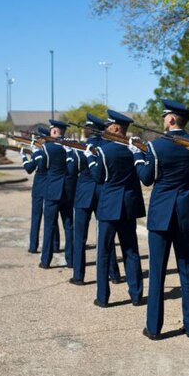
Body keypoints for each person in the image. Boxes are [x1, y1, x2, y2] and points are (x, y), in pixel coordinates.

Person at [131, 100, 189, 339]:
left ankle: (154, 327)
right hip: (186, 212)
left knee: (157, 272)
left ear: (171, 119)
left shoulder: (156, 147)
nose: (164, 120)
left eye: (165, 117)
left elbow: (146, 178)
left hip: (162, 214)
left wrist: (138, 156)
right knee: (186, 270)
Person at [85, 110, 145, 307]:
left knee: (104, 251)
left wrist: (90, 159)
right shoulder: (135, 148)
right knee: (131, 250)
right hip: (128, 204)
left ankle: (103, 297)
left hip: (109, 205)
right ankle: (136, 295)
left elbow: (98, 177)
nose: (106, 129)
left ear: (116, 128)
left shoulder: (104, 151)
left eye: (109, 126)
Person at [68, 114, 121, 286]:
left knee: (80, 237)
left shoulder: (81, 147)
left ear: (89, 129)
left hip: (84, 193)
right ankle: (114, 274)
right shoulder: (107, 145)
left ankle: (79, 275)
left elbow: (72, 169)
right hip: (102, 193)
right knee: (106, 236)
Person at [36, 120, 74, 269]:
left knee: (49, 226)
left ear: (53, 131)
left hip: (52, 190)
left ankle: (46, 260)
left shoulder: (47, 148)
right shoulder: (71, 147)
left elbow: (41, 167)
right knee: (69, 226)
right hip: (67, 191)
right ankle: (71, 260)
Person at [20, 126, 60, 254]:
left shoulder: (41, 152)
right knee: (52, 219)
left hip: (39, 186)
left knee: (36, 217)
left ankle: (33, 246)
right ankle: (55, 245)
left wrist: (24, 157)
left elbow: (29, 168)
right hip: (50, 186)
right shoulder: (50, 150)